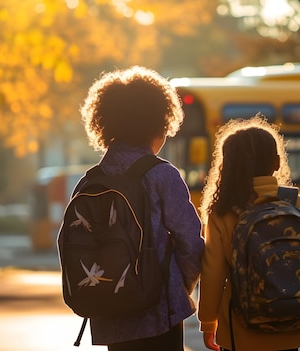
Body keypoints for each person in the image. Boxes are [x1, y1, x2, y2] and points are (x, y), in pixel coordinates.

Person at [67, 66, 204, 351]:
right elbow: (191, 243)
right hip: (159, 313)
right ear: (159, 122)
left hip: (109, 312)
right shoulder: (162, 175)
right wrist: (177, 288)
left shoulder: (91, 180)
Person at [197, 115, 300, 351]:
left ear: (227, 166)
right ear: (276, 162)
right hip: (291, 327)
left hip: (241, 330)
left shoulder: (222, 212)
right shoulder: (294, 203)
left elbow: (213, 274)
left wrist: (208, 322)